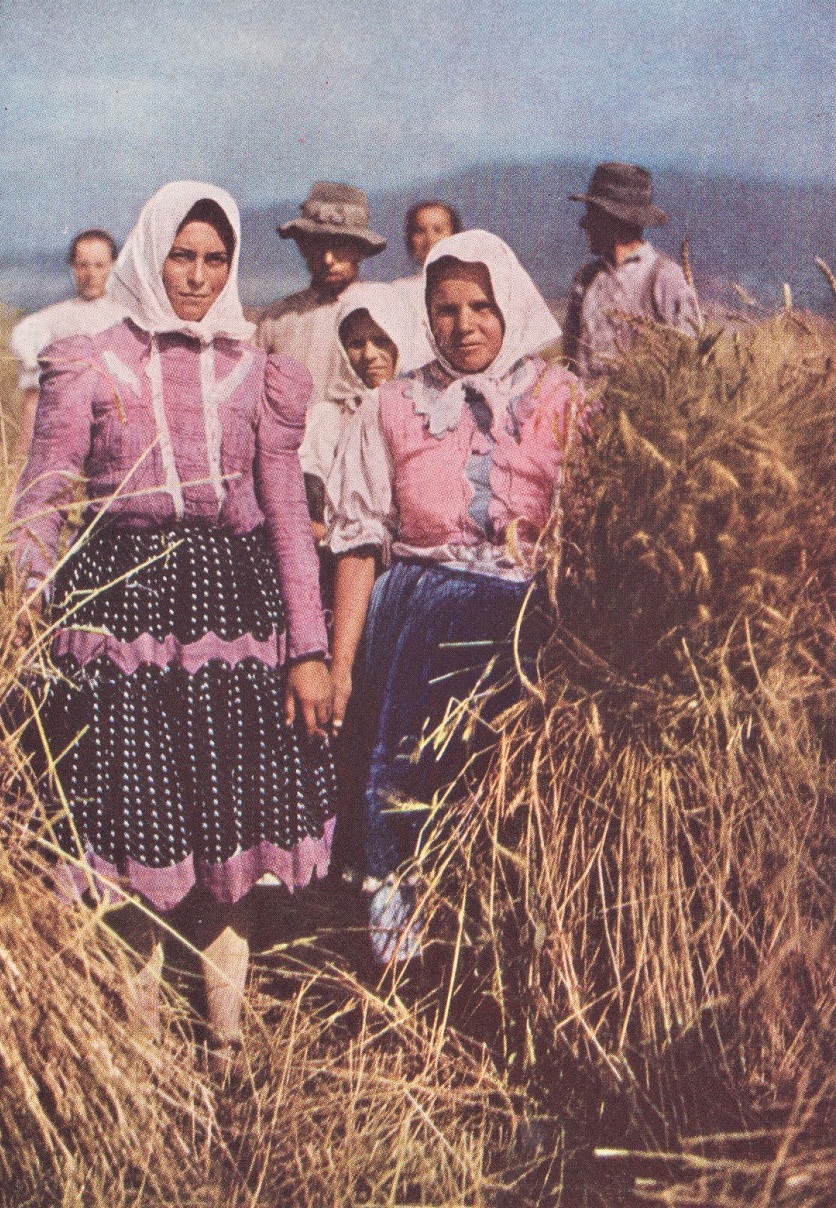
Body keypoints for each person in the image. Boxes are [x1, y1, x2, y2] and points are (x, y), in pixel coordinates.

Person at [12, 182, 335, 1057]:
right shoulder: (88, 359)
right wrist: (23, 606)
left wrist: (309, 648)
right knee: (135, 831)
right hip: (122, 617)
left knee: (226, 834)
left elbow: (285, 520)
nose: (196, 276)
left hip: (231, 621)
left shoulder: (258, 373)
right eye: (181, 257)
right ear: (150, 255)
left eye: (215, 259)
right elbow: (42, 498)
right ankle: (145, 1057)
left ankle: (226, 1048)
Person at [326, 230, 584, 963]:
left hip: (532, 617)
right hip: (419, 622)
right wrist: (342, 666)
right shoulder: (391, 406)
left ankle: (499, 947)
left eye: (480, 305)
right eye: (444, 309)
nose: (463, 324)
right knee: (409, 775)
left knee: (506, 793)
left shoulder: (562, 400)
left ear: (511, 307)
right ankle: (406, 951)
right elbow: (356, 545)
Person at [254, 181, 387, 495]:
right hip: (287, 472)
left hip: (362, 467)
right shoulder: (278, 317)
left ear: (360, 249)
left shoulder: (383, 313)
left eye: (340, 246)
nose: (328, 258)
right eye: (317, 245)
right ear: (302, 246)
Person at [563, 162, 700, 380]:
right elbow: (568, 363)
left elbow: (689, 360)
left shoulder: (663, 277)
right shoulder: (585, 278)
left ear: (613, 220)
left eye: (592, 214)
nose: (583, 223)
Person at [301, 282, 414, 544]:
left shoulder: (426, 414)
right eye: (356, 343)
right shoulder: (327, 419)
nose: (369, 355)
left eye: (381, 340)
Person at [9, 228, 126, 457]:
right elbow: (33, 397)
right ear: (72, 267)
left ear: (113, 266)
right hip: (66, 438)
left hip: (119, 439)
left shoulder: (130, 318)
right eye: (83, 265)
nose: (90, 274)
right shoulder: (49, 322)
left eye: (99, 265)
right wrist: (21, 454)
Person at [392, 200, 462, 369]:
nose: (430, 239)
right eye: (420, 231)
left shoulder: (473, 283)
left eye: (438, 230)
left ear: (454, 234)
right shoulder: (399, 291)